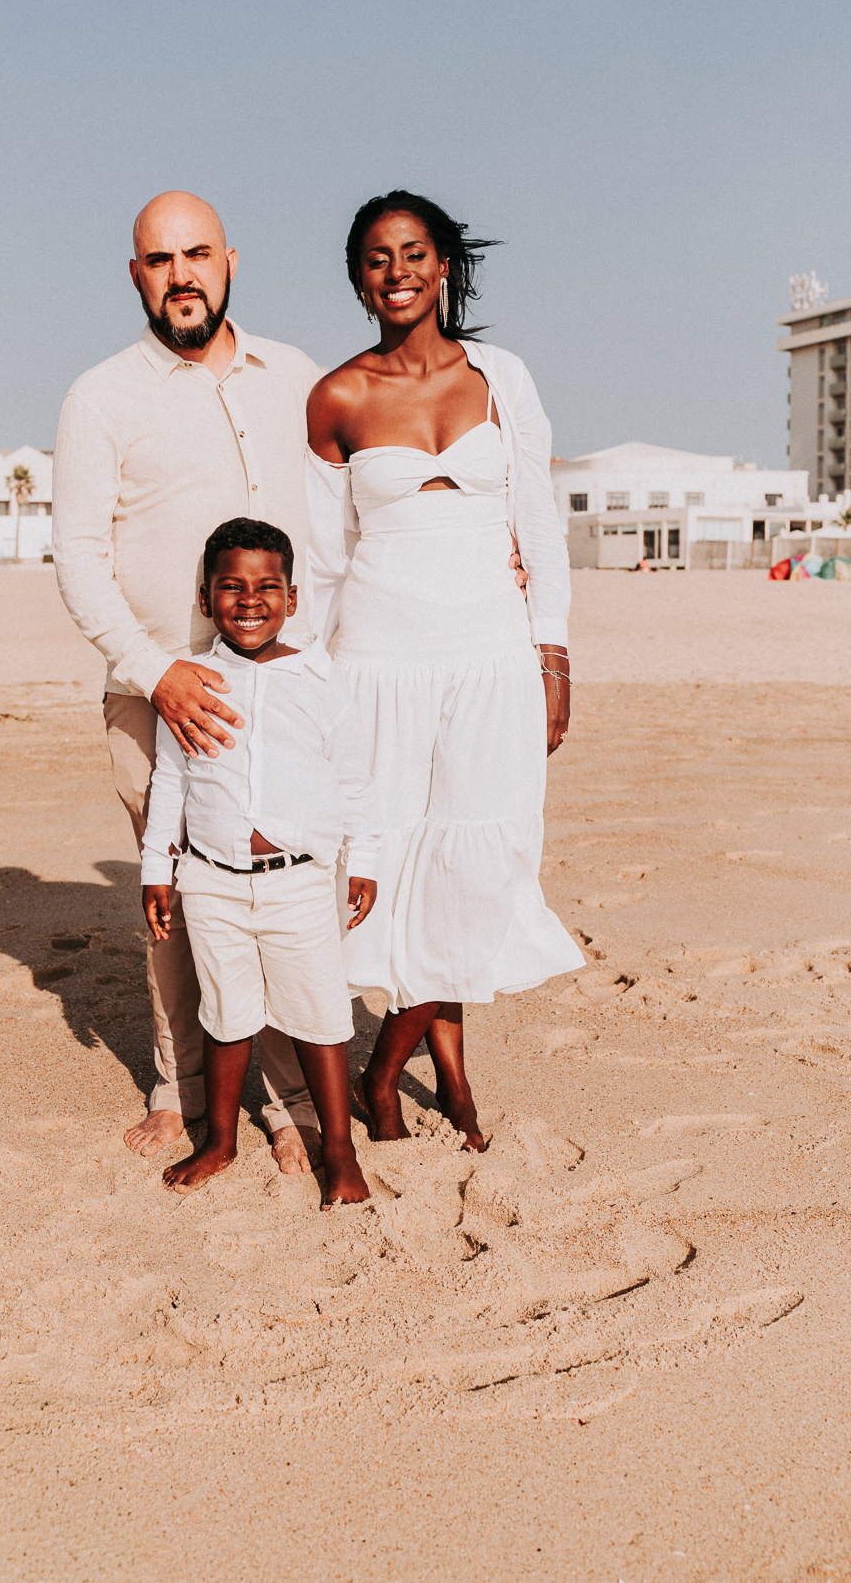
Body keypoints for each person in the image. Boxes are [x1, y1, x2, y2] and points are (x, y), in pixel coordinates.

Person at [306, 188, 585, 1151]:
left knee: (477, 864)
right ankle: (453, 1081)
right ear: (358, 280)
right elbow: (326, 562)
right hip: (375, 660)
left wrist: (552, 653)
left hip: (490, 654)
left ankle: (385, 1070)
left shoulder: (503, 377)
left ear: (445, 266)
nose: (398, 272)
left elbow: (538, 522)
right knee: (391, 865)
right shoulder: (335, 397)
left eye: (414, 253)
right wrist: (309, 688)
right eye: (377, 258)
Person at [52, 191, 326, 1171]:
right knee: (173, 899)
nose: (181, 276)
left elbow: (344, 511)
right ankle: (179, 1090)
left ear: (230, 262)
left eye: (197, 255)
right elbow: (79, 559)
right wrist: (157, 671)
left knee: (284, 887)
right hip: (157, 693)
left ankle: (291, 1100)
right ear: (137, 276)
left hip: (283, 689)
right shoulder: (100, 397)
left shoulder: (296, 377)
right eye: (160, 260)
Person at [140, 518, 379, 1207]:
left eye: (267, 587)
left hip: (299, 882)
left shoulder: (320, 677)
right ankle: (220, 1140)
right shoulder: (191, 683)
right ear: (206, 597)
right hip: (210, 882)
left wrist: (363, 859)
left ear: (292, 598)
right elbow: (170, 780)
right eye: (231, 587)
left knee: (320, 1017)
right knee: (226, 1014)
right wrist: (157, 870)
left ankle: (339, 1149)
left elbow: (353, 779)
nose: (250, 600)